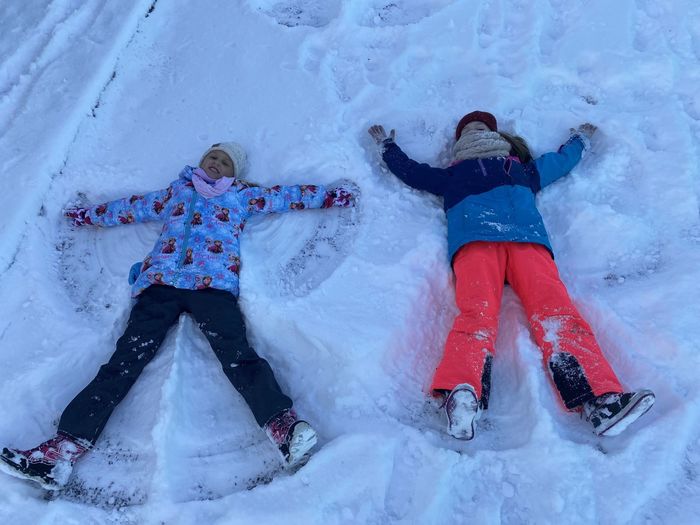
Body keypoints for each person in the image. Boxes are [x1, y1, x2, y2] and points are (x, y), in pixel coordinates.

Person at [0, 141, 356, 489]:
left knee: (237, 355)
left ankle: (283, 429)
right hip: (160, 288)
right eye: (211, 157)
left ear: (234, 173)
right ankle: (60, 453)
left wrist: (329, 197)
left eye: (224, 162)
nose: (215, 163)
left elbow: (286, 197)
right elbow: (132, 208)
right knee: (123, 362)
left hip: (212, 288)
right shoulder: (177, 193)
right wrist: (89, 216)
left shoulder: (242, 196)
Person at [368, 111, 655, 441]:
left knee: (542, 314)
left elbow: (559, 163)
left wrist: (579, 141)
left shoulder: (512, 169)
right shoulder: (469, 173)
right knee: (495, 315)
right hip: (496, 243)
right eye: (469, 129)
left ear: (497, 136)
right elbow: (414, 173)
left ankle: (598, 401)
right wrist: (388, 147)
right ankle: (462, 396)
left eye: (481, 127)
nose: (475, 130)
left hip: (508, 244)